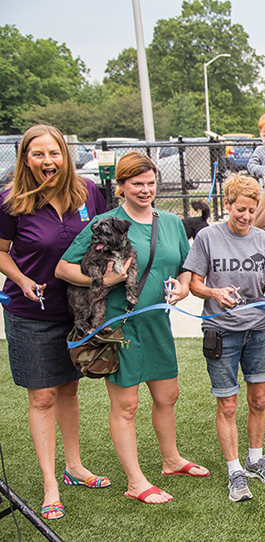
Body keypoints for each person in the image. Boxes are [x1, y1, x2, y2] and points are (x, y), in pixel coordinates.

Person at [56, 152, 208, 505]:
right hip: (119, 325)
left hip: (157, 322)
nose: (145, 190)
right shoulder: (104, 222)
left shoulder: (169, 222)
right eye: (136, 183)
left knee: (167, 395)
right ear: (122, 186)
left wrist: (183, 287)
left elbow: (185, 264)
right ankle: (136, 481)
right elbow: (64, 268)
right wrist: (103, 279)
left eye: (150, 183)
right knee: (126, 405)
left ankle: (171, 461)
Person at [0, 124, 109, 520]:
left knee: (68, 390)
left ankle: (74, 467)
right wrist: (22, 279)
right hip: (31, 312)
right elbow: (1, 251)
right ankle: (50, 484)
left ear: (65, 154)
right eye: (39, 155)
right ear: (26, 158)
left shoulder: (87, 192)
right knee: (42, 396)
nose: (48, 162)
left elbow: (102, 239)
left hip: (78, 310)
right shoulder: (11, 201)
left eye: (55, 153)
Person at [183, 173, 265, 502]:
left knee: (258, 400)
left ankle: (255, 459)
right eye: (239, 209)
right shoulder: (208, 237)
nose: (244, 216)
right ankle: (234, 471)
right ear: (227, 205)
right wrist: (215, 292)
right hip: (220, 331)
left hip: (258, 329)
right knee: (227, 404)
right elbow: (194, 283)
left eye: (251, 209)